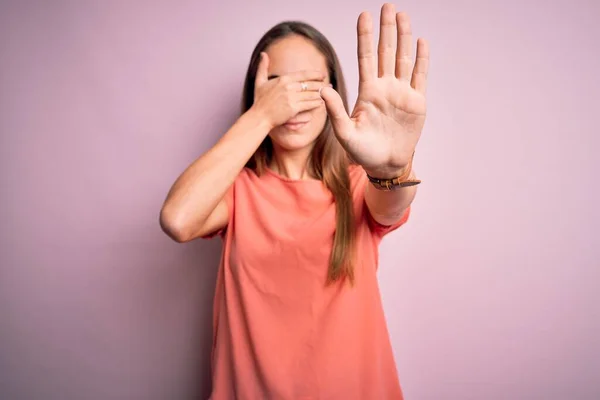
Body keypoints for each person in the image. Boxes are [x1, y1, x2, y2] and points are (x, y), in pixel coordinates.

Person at [160, 2, 429, 398]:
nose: (292, 100)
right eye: (276, 85)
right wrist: (261, 116)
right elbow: (177, 219)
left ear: (334, 91)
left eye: (309, 85)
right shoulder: (237, 192)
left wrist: (392, 166)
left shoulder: (356, 185)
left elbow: (391, 203)